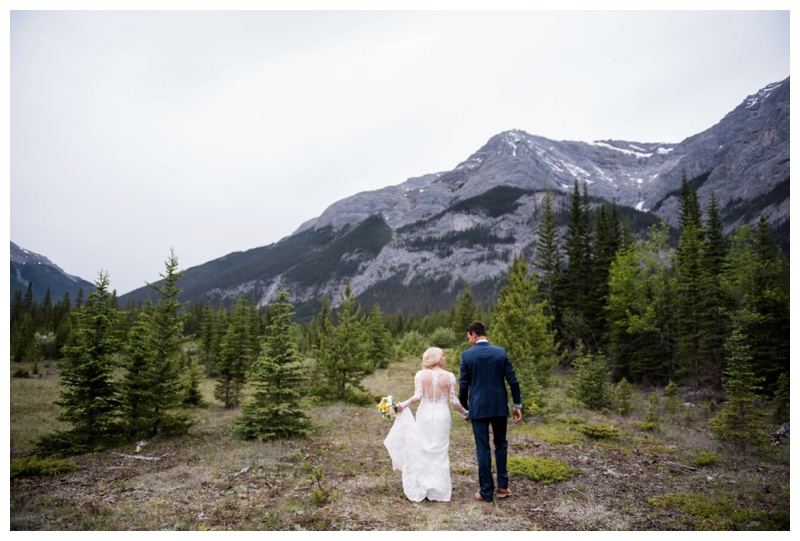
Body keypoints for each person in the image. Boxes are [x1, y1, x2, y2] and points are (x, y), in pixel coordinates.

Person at [383, 347, 468, 502]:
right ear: (436, 358)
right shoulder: (449, 376)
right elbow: (454, 401)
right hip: (442, 415)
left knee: (424, 448)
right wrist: (465, 413)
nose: (444, 358)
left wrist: (402, 404)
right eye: (442, 355)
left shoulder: (420, 375)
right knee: (440, 451)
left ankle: (423, 485)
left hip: (424, 415)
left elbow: (417, 397)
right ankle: (438, 491)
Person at [459, 321, 522, 503]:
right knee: (501, 444)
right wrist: (517, 405)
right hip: (499, 406)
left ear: (475, 335)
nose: (468, 339)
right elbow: (513, 380)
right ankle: (502, 486)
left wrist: (466, 409)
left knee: (483, 447)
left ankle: (486, 491)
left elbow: (464, 385)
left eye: (469, 336)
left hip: (478, 408)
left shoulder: (467, 356)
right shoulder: (500, 352)